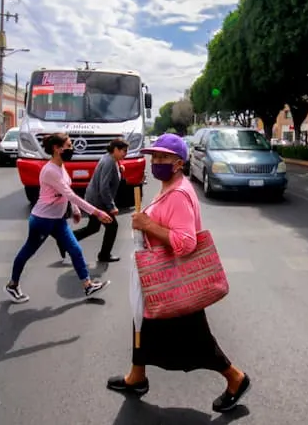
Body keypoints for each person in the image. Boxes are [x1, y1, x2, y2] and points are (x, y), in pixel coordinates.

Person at [106, 133, 251, 414]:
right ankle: (137, 376)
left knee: (196, 340)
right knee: (143, 324)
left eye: (163, 158)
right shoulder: (171, 187)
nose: (156, 162)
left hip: (174, 281)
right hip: (162, 279)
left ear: (179, 163)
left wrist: (147, 225)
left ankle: (236, 378)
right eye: (154, 157)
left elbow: (186, 243)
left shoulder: (179, 195)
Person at [5, 133, 113, 303]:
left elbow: (67, 193)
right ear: (57, 148)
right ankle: (12, 285)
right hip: (42, 220)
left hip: (57, 220)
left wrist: (75, 209)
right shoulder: (50, 171)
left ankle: (87, 285)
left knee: (75, 250)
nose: (72, 149)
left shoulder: (61, 166)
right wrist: (97, 212)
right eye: (69, 146)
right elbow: (70, 194)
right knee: (28, 251)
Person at [70, 139, 129, 263]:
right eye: (124, 151)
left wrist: (119, 170)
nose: (126, 154)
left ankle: (66, 240)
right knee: (113, 226)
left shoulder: (111, 159)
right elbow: (104, 186)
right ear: (116, 149)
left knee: (93, 228)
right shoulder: (109, 162)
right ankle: (104, 255)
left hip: (94, 198)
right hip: (98, 201)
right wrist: (111, 206)